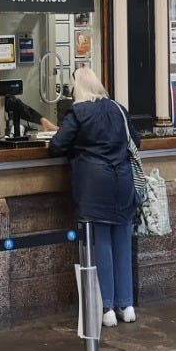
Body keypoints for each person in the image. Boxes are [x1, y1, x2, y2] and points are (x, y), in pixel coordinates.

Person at [48, 66, 139, 327]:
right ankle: (127, 305)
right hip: (122, 182)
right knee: (122, 242)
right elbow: (136, 142)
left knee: (101, 245)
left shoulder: (78, 112)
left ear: (78, 87)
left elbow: (56, 146)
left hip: (93, 186)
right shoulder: (119, 109)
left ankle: (107, 307)